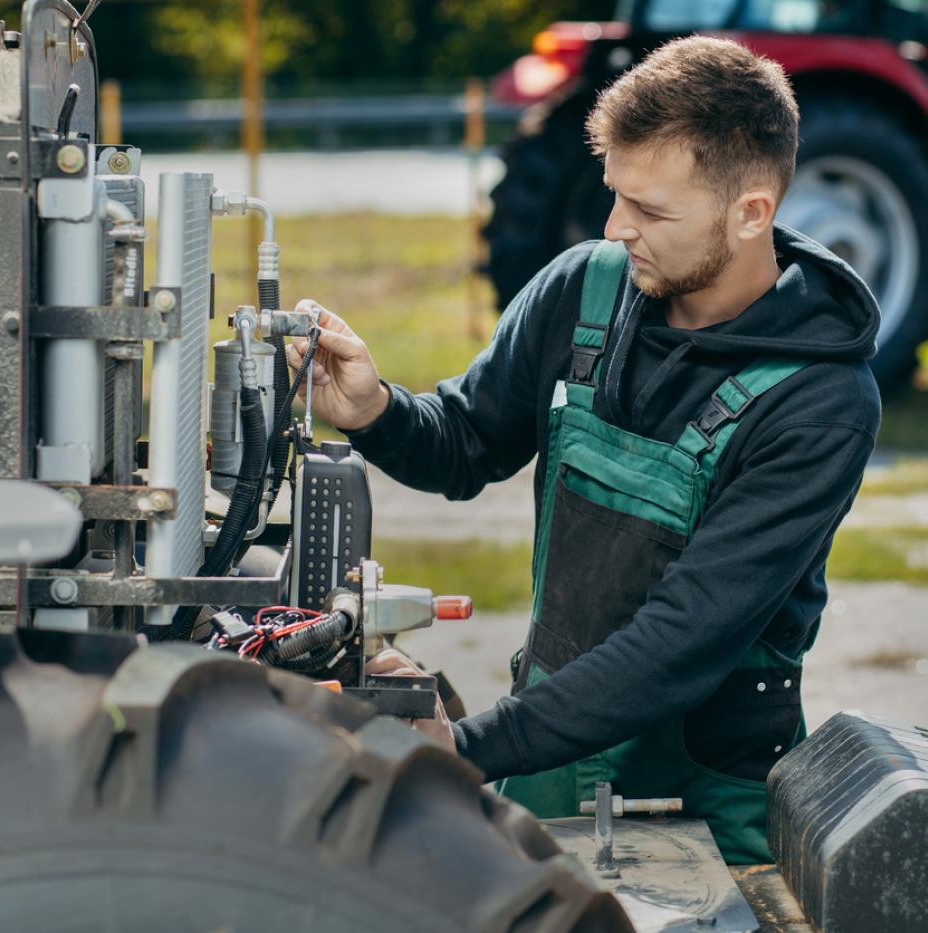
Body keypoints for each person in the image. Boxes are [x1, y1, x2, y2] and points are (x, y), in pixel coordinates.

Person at [287, 35, 882, 865]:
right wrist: (375, 410)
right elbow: (464, 442)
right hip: (546, 760)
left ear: (751, 213)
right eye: (616, 195)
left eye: (652, 211)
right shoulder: (582, 289)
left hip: (710, 813)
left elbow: (682, 640)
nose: (616, 228)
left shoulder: (818, 403)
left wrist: (469, 745)